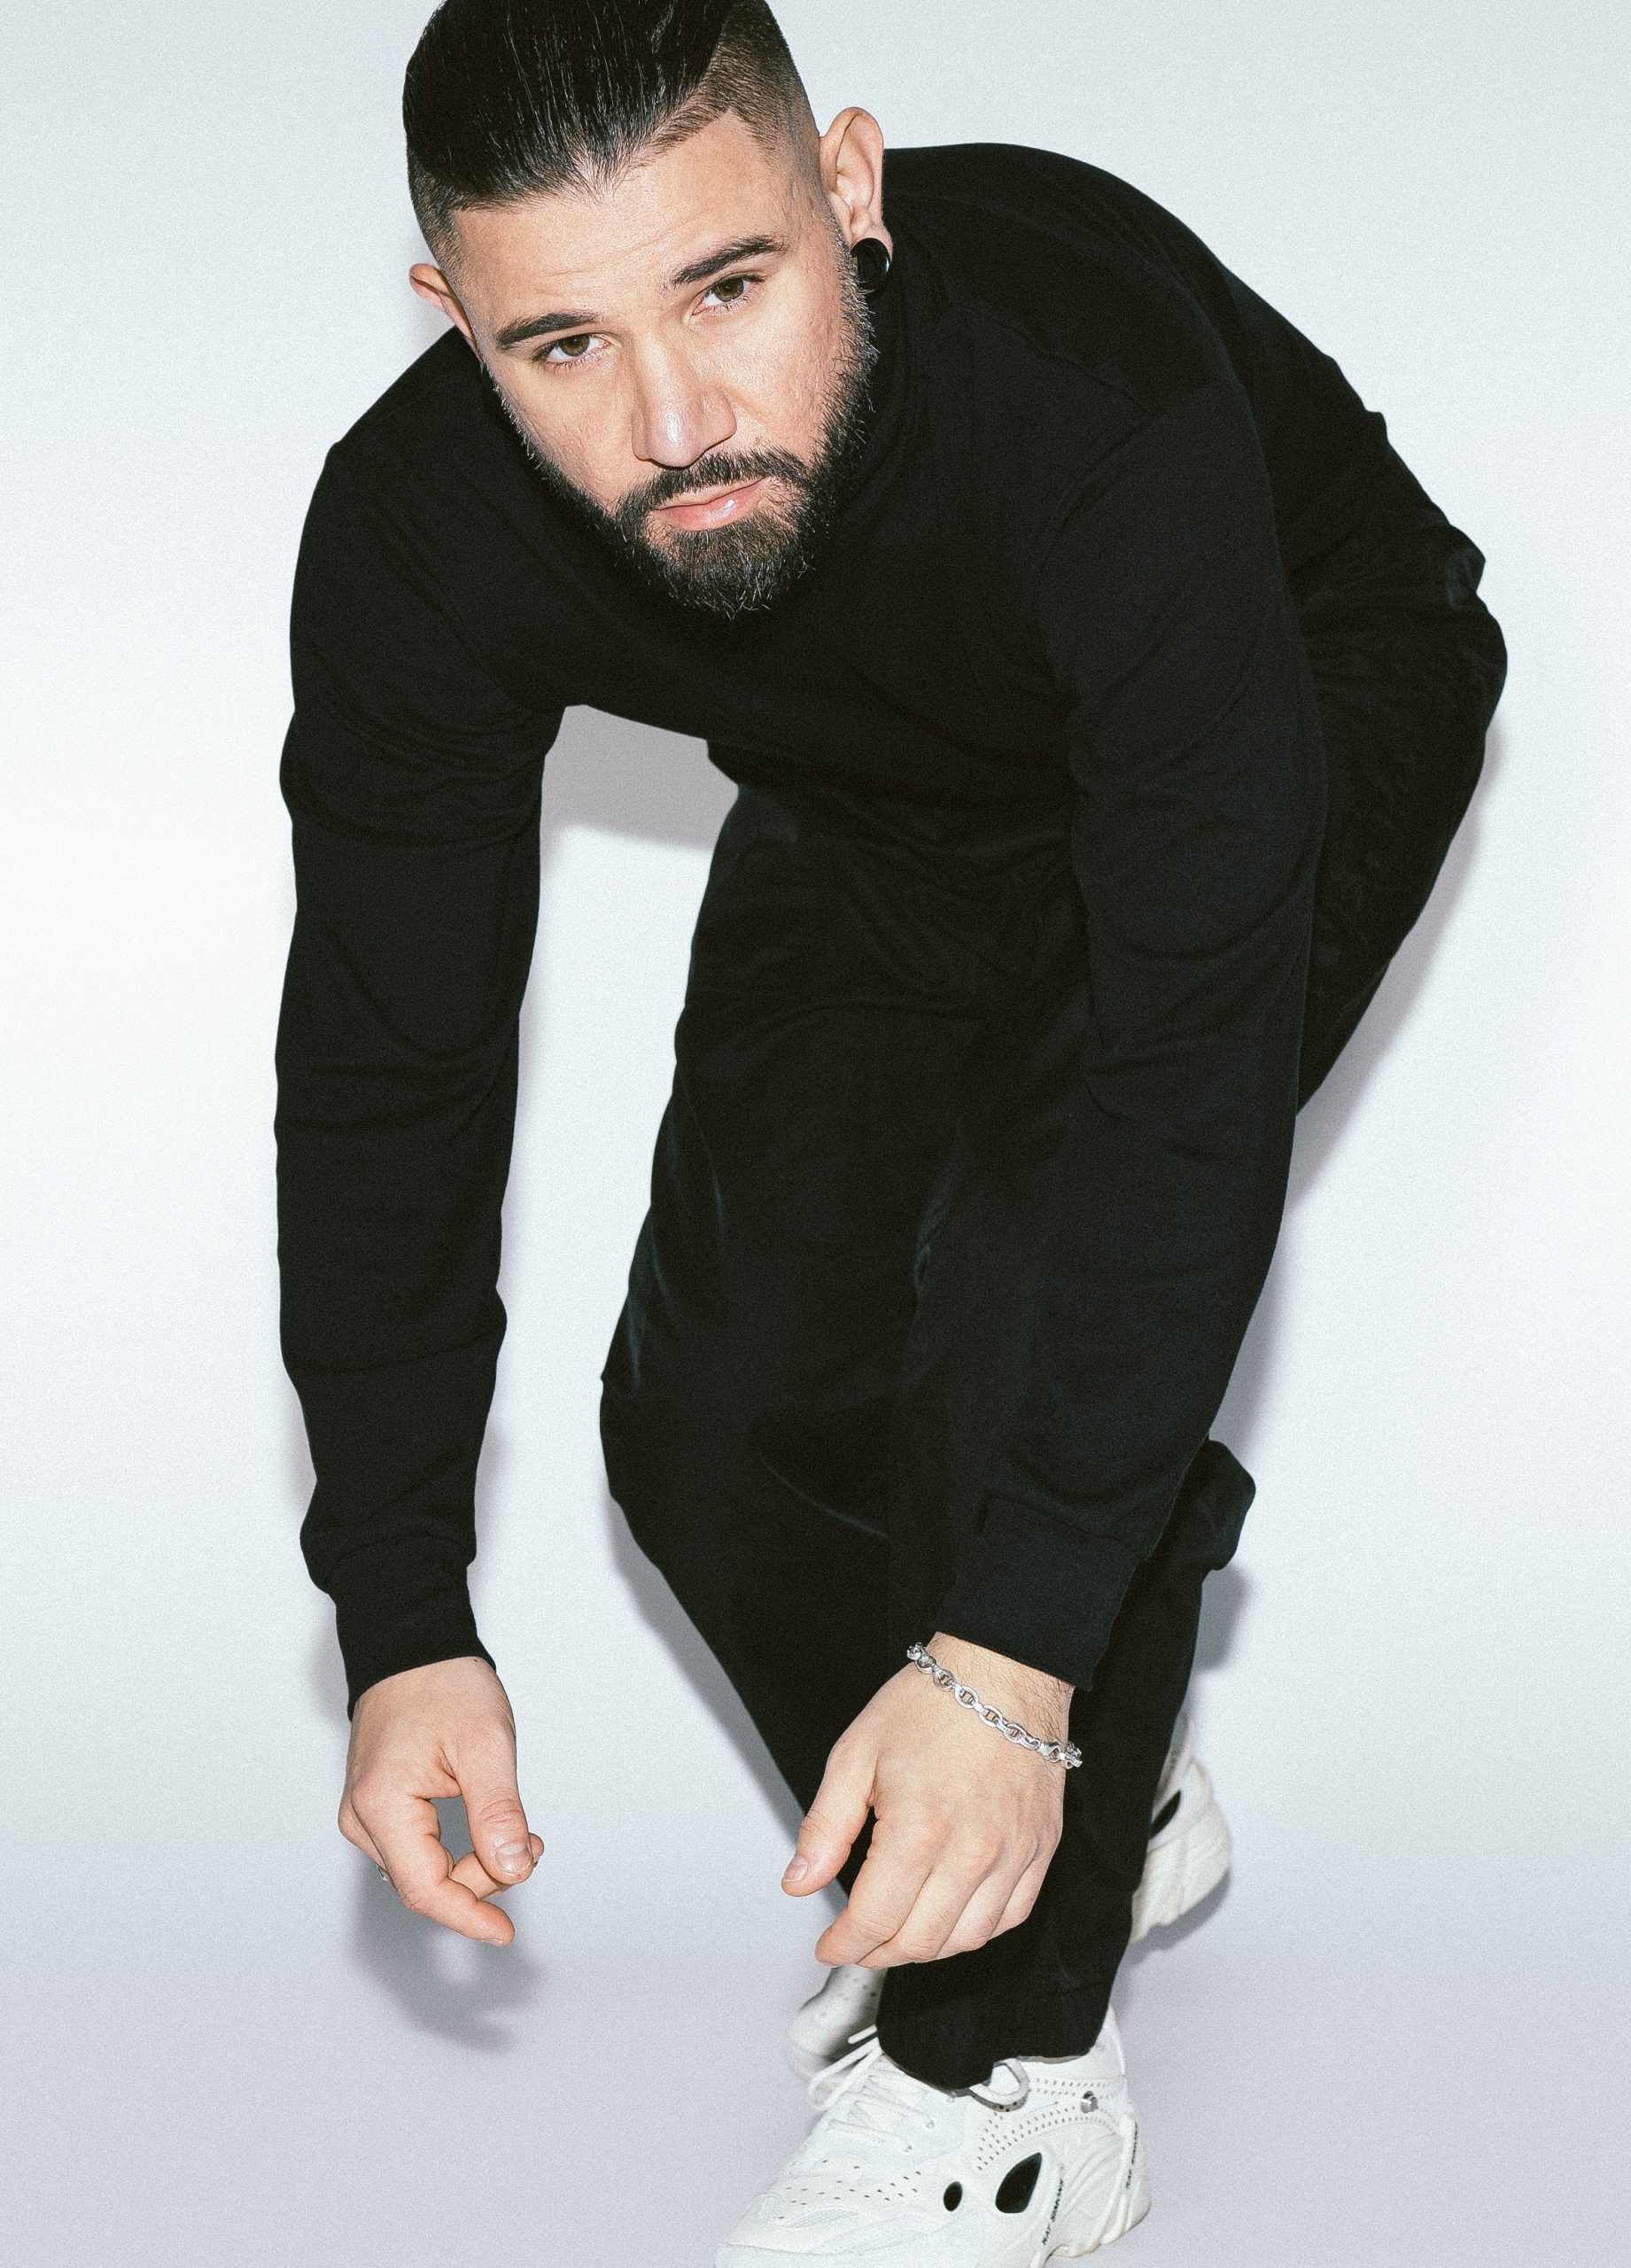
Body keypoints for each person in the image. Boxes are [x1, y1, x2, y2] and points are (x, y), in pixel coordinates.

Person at [273, 1, 1508, 2256]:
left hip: (1300, 666)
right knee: (709, 1422)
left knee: (1031, 1292)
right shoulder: (414, 535)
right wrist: (399, 1610)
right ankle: (1106, 1788)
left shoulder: (1088, 391)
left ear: (849, 185)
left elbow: (1179, 1076)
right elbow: (389, 1064)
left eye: (728, 288)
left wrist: (1016, 1655)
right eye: (562, 344)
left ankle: (1001, 2086)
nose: (674, 426)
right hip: (892, 789)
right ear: (450, 315)